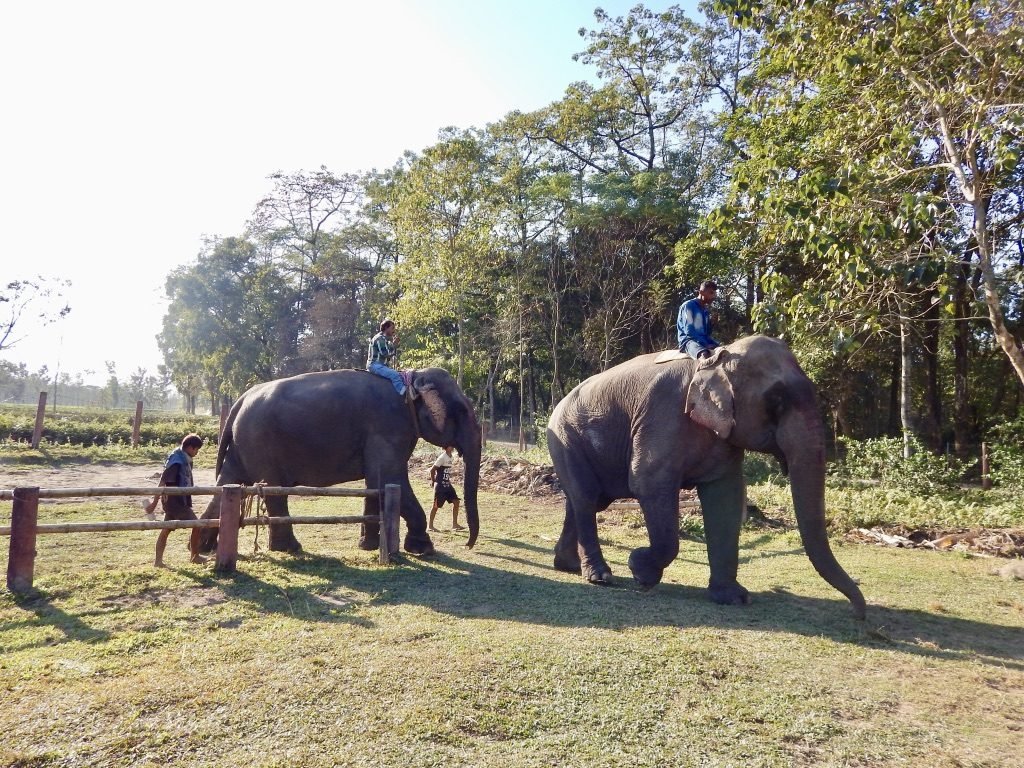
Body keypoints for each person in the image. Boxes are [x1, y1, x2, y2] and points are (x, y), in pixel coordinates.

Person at [145, 433, 207, 567]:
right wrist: (154, 503)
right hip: (177, 502)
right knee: (197, 525)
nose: (196, 453)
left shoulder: (181, 458)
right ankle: (194, 556)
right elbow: (163, 482)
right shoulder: (177, 461)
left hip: (174, 501)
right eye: (196, 450)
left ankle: (158, 561)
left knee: (166, 529)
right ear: (191, 448)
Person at [677, 279, 721, 359]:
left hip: (703, 339)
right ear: (701, 292)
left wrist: (712, 323)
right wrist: (705, 344)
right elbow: (689, 332)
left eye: (714, 293)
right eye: (711, 293)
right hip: (689, 341)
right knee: (704, 354)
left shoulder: (705, 310)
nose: (713, 296)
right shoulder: (689, 306)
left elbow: (706, 333)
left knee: (723, 350)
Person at [366, 318, 406, 397]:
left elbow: (388, 352)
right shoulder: (379, 339)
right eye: (392, 328)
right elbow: (385, 353)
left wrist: (394, 345)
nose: (394, 331)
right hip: (375, 365)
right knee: (395, 375)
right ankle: (404, 393)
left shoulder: (385, 340)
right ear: (386, 328)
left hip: (381, 365)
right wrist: (394, 345)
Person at [428, 446, 463, 532]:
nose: (452, 447)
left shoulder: (451, 456)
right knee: (436, 506)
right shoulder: (442, 457)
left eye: (452, 445)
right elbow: (432, 470)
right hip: (440, 486)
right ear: (445, 447)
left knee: (456, 502)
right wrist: (433, 481)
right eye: (450, 446)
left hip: (447, 485)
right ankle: (430, 526)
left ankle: (455, 524)